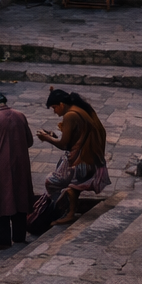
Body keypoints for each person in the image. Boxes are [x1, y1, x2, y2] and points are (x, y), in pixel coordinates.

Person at [37, 88, 109, 226]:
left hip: (83, 160)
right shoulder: (79, 109)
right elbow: (73, 139)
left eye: (54, 108)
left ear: (61, 104)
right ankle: (69, 211)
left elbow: (64, 145)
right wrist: (53, 136)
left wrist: (46, 138)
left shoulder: (70, 115)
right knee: (71, 184)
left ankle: (65, 211)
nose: (55, 112)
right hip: (87, 157)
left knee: (51, 181)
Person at [0, 89, 34, 250]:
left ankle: (3, 241)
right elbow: (29, 141)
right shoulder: (20, 115)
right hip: (20, 164)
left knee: (0, 200)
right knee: (20, 196)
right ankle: (19, 236)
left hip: (0, 167)